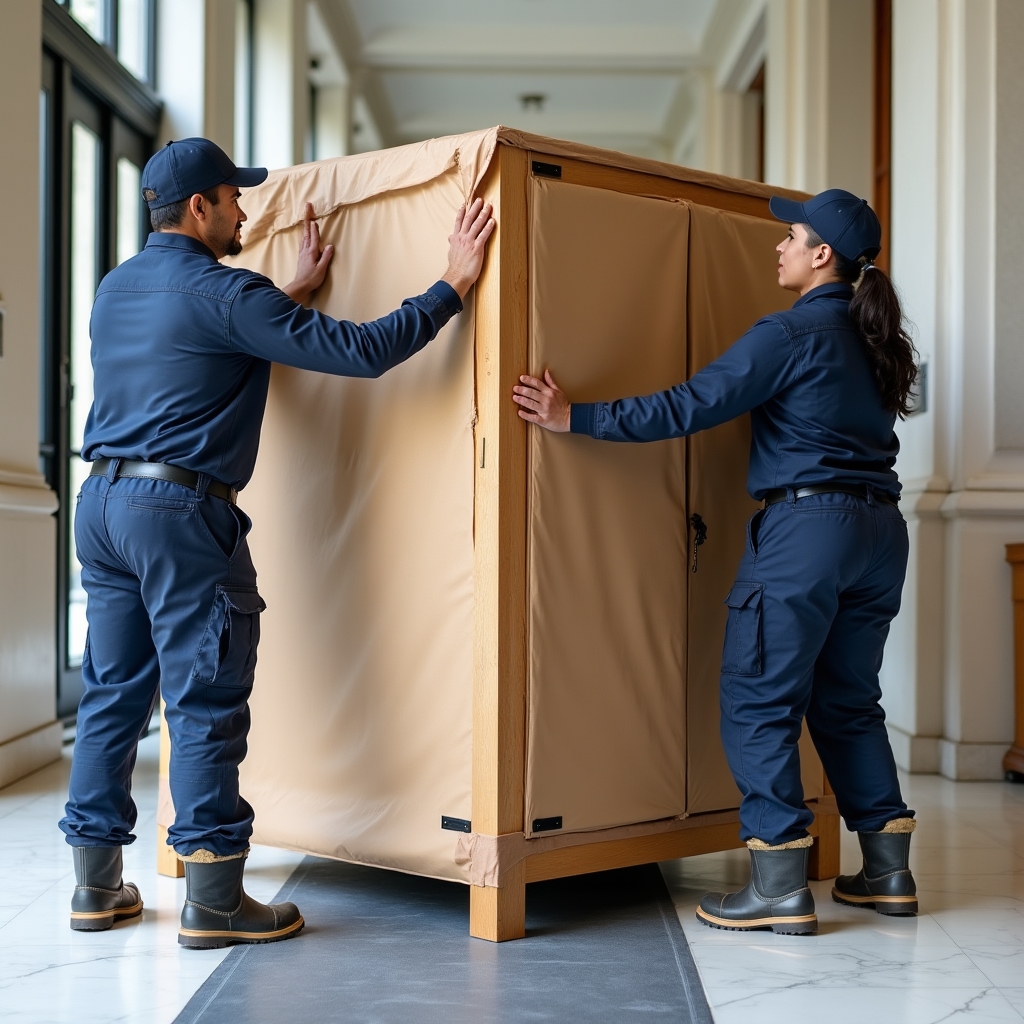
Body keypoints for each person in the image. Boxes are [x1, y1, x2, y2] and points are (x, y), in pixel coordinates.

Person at [60, 137, 495, 948]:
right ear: (199, 208)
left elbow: (190, 352)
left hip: (103, 506)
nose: (244, 210)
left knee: (113, 696)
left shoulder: (115, 288)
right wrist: (452, 284)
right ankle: (217, 900)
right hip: (179, 514)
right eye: (232, 198)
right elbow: (363, 353)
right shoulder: (228, 294)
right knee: (204, 701)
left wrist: (284, 297)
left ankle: (95, 888)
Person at [513, 189, 919, 936]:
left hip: (807, 530)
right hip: (880, 532)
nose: (780, 247)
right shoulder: (877, 340)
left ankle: (778, 885)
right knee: (848, 702)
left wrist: (576, 417)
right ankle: (888, 873)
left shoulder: (791, 333)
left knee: (759, 698)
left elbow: (690, 405)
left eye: (790, 236)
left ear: (822, 254)